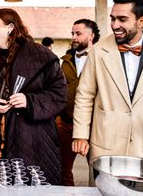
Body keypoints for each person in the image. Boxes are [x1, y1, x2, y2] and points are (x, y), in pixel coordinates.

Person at [0, 8, 67, 184]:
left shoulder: (42, 56)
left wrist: (28, 100)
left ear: (10, 27)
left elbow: (59, 94)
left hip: (31, 139)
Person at [72, 0, 143, 165]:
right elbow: (84, 96)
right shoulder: (97, 52)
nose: (115, 25)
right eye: (113, 19)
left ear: (141, 21)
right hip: (105, 148)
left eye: (122, 19)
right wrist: (80, 135)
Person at [57, 19, 100, 186]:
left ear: (91, 36)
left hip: (94, 125)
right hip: (66, 123)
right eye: (72, 33)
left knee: (99, 170)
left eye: (78, 33)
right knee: (62, 168)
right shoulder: (65, 61)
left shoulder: (103, 58)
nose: (74, 37)